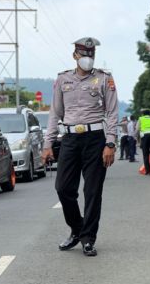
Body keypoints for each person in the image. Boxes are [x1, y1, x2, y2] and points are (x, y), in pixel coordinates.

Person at [41, 37, 118, 257]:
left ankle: (88, 238)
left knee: (93, 191)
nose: (88, 59)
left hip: (96, 139)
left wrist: (110, 142)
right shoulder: (62, 79)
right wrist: (48, 143)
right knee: (63, 188)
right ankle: (77, 228)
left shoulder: (105, 78)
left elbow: (112, 112)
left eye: (91, 55)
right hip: (70, 140)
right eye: (84, 55)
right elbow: (55, 112)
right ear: (75, 56)